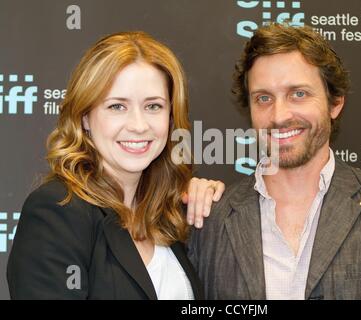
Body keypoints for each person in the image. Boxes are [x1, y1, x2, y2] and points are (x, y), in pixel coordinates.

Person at [187, 23, 361, 300]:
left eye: (298, 93)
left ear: (335, 103)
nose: (279, 115)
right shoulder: (211, 217)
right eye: (263, 98)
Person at [7, 31, 224, 299]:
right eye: (117, 107)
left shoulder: (169, 216)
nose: (138, 125)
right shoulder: (57, 211)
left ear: (171, 117)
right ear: (85, 116)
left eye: (153, 106)